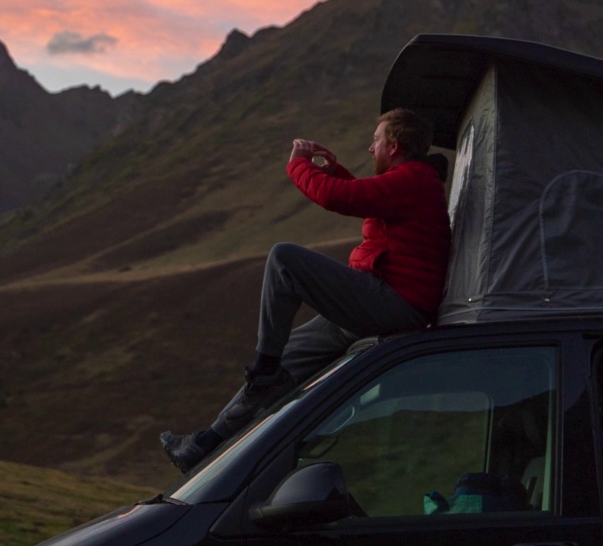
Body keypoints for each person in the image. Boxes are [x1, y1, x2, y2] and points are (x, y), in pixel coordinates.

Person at [161, 108, 452, 472]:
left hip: (393, 304)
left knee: (285, 260)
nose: (369, 147)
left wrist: (298, 165)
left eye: (376, 140)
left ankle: (265, 371)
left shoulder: (413, 181)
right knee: (288, 356)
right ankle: (206, 445)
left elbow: (338, 198)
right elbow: (368, 201)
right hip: (380, 301)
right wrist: (336, 172)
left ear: (393, 146)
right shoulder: (412, 181)